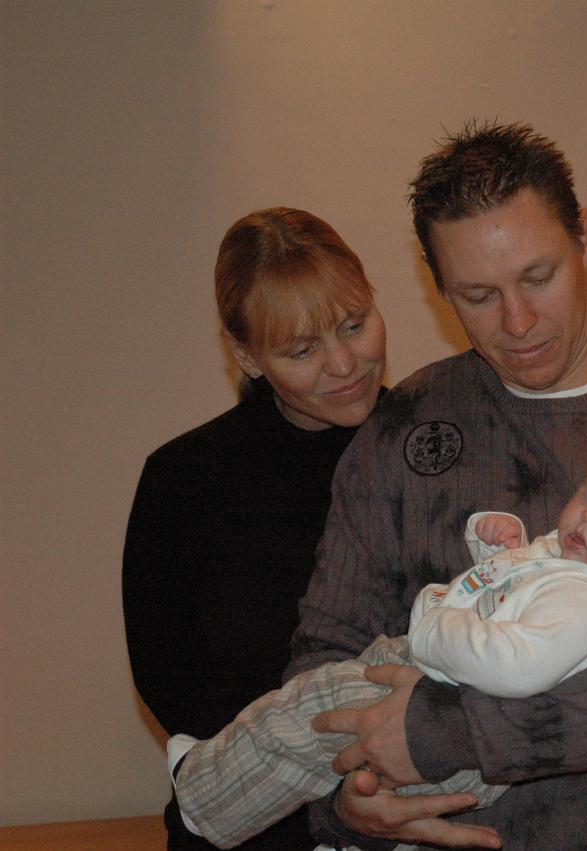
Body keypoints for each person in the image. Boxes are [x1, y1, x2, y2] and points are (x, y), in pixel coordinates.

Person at [286, 121, 587, 849]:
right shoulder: (402, 431)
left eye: (537, 278)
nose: (516, 322)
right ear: (437, 283)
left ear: (584, 236)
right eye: (477, 295)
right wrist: (346, 795)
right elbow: (328, 648)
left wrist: (456, 732)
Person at [167, 430, 587, 849]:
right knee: (330, 748)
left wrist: (433, 624)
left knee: (301, 720)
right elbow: (514, 600)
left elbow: (515, 666)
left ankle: (201, 795)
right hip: (447, 696)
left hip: (445, 696)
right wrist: (501, 552)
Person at [122, 207, 389, 849]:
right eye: (302, 350)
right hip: (252, 823)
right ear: (243, 352)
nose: (345, 362)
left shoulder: (431, 448)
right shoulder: (184, 479)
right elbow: (167, 682)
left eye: (355, 324)